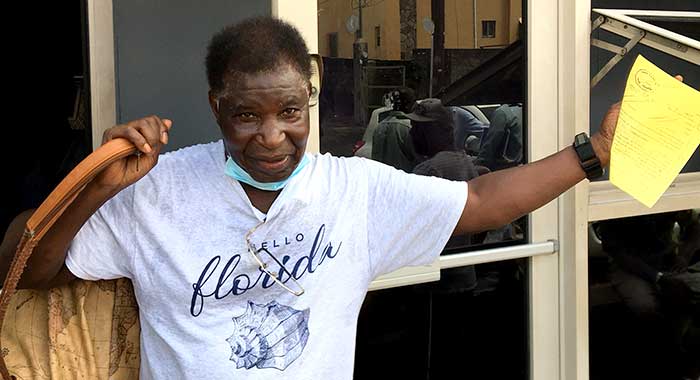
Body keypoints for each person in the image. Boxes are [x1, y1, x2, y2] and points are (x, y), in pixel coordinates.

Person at [0, 15, 635, 379]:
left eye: (289, 111)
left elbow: (480, 202)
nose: (272, 138)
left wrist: (590, 155)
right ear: (217, 109)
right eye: (247, 115)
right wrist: (93, 185)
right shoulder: (157, 191)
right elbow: (24, 269)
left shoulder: (351, 190)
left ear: (310, 102)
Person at [596, 210, 700, 379]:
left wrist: (683, 255)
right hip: (630, 266)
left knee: (689, 299)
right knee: (646, 308)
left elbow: (694, 225)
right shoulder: (618, 201)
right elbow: (616, 251)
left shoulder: (664, 193)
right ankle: (663, 364)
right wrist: (658, 278)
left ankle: (684, 358)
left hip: (667, 261)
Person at [370, 87, 416, 172]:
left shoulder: (379, 126)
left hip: (381, 179)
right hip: (402, 180)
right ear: (409, 105)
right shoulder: (409, 127)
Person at [475, 103, 523, 172]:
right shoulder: (528, 109)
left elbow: (490, 146)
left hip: (503, 169)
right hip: (521, 166)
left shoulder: (503, 112)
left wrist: (476, 163)